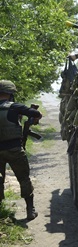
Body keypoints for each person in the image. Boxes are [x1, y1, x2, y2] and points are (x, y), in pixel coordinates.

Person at [0, 80, 42, 220]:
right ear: (11, 94)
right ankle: (30, 210)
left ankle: (1, 212)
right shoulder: (15, 106)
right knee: (24, 179)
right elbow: (36, 113)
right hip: (14, 150)